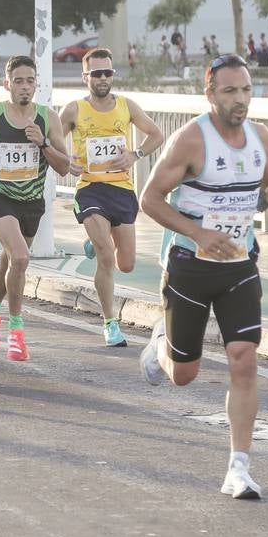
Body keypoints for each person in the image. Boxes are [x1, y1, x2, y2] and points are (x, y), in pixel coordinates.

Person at [140, 53, 268, 499]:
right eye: (229, 91)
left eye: (245, 90)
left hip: (240, 266)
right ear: (210, 93)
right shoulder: (190, 140)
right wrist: (197, 232)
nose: (240, 99)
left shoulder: (260, 135)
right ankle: (160, 347)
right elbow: (150, 199)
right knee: (184, 374)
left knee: (244, 359)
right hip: (189, 266)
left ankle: (238, 468)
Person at [60, 47, 164, 347]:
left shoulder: (127, 106)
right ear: (85, 77)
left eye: (108, 73)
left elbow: (155, 134)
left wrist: (135, 154)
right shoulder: (74, 110)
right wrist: (67, 160)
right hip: (90, 188)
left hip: (121, 189)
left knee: (126, 263)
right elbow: (52, 138)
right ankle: (110, 323)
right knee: (106, 256)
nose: (103, 78)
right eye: (97, 73)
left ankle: (95, 240)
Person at [0, 55, 70, 361]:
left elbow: (64, 167)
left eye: (30, 81)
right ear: (7, 84)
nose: (25, 87)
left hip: (31, 202)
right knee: (22, 256)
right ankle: (16, 332)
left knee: (11, 264)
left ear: (36, 84)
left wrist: (43, 144)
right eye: (18, 81)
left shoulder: (48, 118)